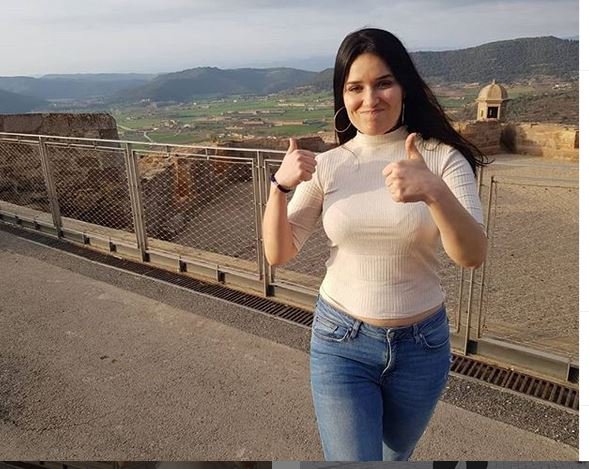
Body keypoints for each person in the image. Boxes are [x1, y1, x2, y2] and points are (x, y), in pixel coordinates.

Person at [262, 28, 488, 461]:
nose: (370, 99)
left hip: (422, 347)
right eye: (355, 88)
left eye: (383, 83)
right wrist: (279, 187)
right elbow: (280, 251)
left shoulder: (441, 158)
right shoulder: (330, 164)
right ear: (342, 96)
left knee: (393, 457)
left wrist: (434, 191)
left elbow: (472, 255)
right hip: (340, 342)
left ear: (404, 87)